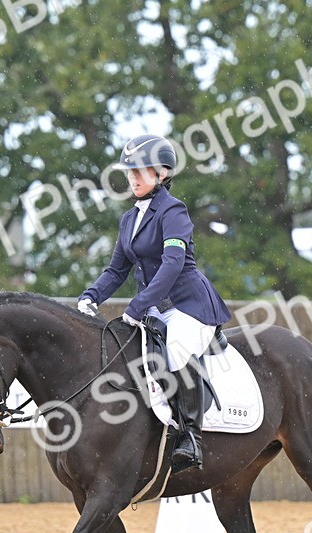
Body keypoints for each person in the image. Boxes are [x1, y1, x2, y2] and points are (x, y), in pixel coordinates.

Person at [77, 134, 232, 473]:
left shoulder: (173, 211)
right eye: (130, 172)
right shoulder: (129, 220)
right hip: (155, 309)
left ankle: (191, 437)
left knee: (175, 350)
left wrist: (136, 306)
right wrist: (91, 296)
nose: (133, 178)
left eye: (141, 171)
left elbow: (172, 264)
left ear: (162, 174)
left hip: (190, 305)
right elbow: (117, 269)